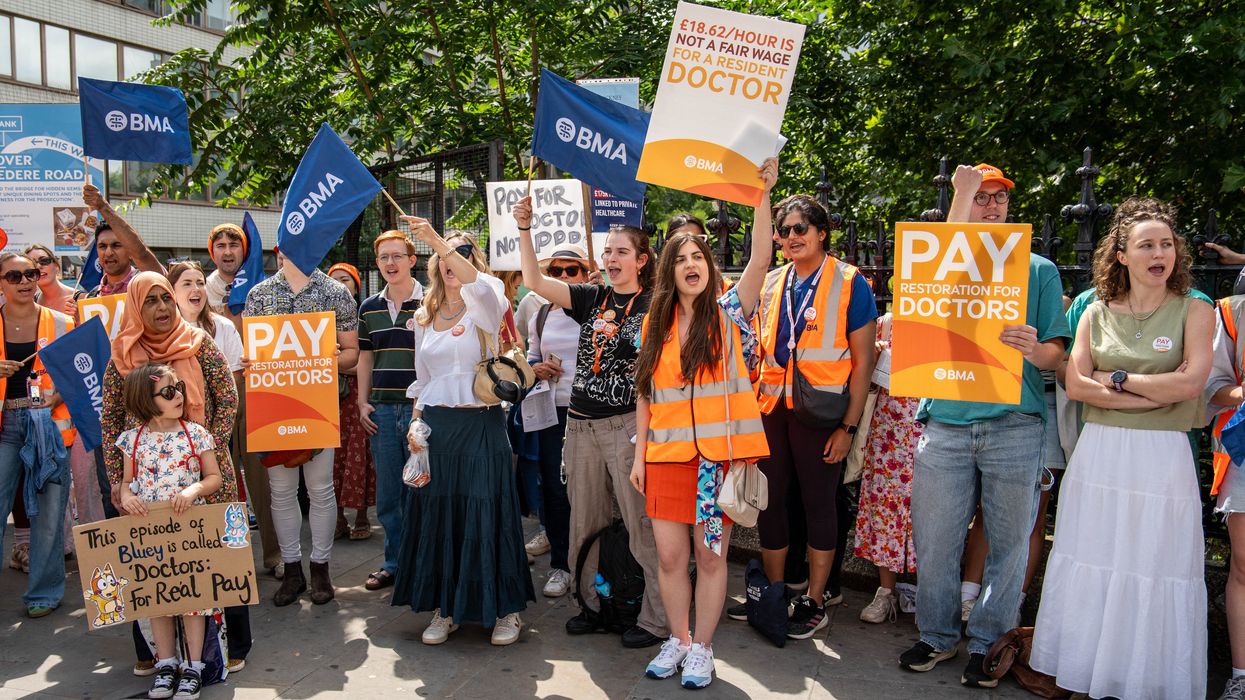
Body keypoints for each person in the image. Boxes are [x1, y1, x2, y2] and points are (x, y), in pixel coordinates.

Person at [1031, 198, 1212, 699]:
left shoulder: (1195, 307)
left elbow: (1191, 383)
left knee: (1154, 562)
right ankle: (1090, 675)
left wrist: (1116, 383)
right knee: (1095, 554)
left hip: (1162, 459)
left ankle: (1145, 681)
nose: (1161, 253)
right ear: (1122, 256)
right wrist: (1148, 392)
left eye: (1167, 244)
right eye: (1147, 245)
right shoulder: (1093, 308)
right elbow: (1075, 383)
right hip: (1101, 453)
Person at [900, 163, 1070, 687]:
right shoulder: (941, 260)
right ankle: (937, 636)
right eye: (981, 198)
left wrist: (1034, 347)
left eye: (999, 198)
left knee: (1009, 541)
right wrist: (961, 194)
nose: (992, 206)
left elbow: (1057, 357)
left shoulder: (1039, 270)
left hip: (1014, 425)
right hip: (945, 425)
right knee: (934, 540)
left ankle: (990, 643)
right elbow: (944, 258)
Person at [628, 159, 777, 689]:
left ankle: (703, 650)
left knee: (710, 560)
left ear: (710, 267)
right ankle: (679, 641)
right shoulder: (656, 321)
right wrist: (640, 455)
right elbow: (647, 393)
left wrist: (763, 192)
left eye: (699, 256)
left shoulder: (732, 310)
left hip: (719, 463)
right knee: (670, 558)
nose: (690, 263)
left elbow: (761, 255)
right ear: (667, 271)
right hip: (666, 461)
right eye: (680, 258)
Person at [514, 202, 669, 649]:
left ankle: (656, 617)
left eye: (622, 251)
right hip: (579, 426)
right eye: (608, 250)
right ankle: (592, 605)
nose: (612, 258)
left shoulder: (657, 306)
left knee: (640, 526)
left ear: (641, 260)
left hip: (626, 428)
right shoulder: (592, 298)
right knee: (584, 521)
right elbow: (533, 281)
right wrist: (526, 228)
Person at [733, 192, 877, 641]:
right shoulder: (773, 280)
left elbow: (863, 364)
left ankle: (816, 598)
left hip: (823, 414)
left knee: (819, 504)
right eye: (784, 230)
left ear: (822, 233)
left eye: (800, 229)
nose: (790, 237)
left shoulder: (851, 282)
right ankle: (776, 591)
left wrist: (848, 428)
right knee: (770, 503)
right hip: (772, 410)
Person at [393, 221, 534, 646]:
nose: (454, 262)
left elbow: (483, 288)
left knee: (487, 514)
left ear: (474, 261)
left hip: (481, 425)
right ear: (436, 265)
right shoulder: (423, 315)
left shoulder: (487, 300)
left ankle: (505, 611)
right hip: (438, 428)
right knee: (442, 516)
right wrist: (416, 423)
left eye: (463, 253)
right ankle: (446, 608)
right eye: (446, 255)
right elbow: (423, 379)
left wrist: (438, 240)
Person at [101, 272, 239, 675]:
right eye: (151, 301)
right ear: (135, 307)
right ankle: (158, 658)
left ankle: (213, 657)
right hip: (145, 486)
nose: (162, 308)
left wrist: (200, 449)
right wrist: (118, 480)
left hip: (205, 479)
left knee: (212, 569)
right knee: (151, 571)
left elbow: (227, 398)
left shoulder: (198, 343)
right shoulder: (121, 355)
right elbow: (110, 420)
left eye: (166, 298)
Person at [242, 250, 359, 606]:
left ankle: (320, 567)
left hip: (319, 405)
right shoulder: (258, 295)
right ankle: (292, 569)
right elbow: (251, 352)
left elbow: (352, 353)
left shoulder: (336, 293)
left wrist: (322, 359)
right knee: (281, 490)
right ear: (278, 250)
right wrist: (251, 359)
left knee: (321, 489)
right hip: (273, 406)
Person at [115, 362, 223, 700]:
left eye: (178, 388)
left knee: (193, 601)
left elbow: (214, 477)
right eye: (167, 391)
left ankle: (193, 667)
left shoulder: (196, 434)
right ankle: (166, 663)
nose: (177, 395)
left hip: (189, 534)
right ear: (145, 400)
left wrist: (193, 491)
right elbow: (126, 483)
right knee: (158, 600)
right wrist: (127, 497)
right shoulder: (132, 441)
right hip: (151, 535)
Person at [167, 260, 253, 673]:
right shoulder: (144, 341)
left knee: (225, 549)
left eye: (202, 282)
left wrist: (209, 444)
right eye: (187, 283)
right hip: (165, 469)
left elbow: (230, 394)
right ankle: (170, 652)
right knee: (174, 556)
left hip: (213, 461)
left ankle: (234, 643)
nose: (197, 288)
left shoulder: (219, 333)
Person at [0, 252, 76, 618]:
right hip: (4, 430)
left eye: (30, 273)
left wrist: (56, 396)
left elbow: (80, 374)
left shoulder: (62, 323)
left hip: (47, 427)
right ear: (1, 282)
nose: (25, 281)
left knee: (49, 512)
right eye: (14, 275)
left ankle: (44, 593)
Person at [354, 233, 425, 591]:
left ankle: (422, 563)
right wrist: (362, 401)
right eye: (383, 257)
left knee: (421, 489)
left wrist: (422, 410)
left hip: (421, 412)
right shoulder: (368, 307)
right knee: (389, 496)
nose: (390, 263)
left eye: (397, 255)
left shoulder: (432, 301)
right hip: (381, 411)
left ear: (413, 259)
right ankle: (394, 563)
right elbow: (365, 357)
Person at [523, 245, 589, 596]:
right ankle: (561, 565)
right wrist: (536, 368)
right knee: (554, 488)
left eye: (572, 270)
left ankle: (592, 562)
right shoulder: (541, 314)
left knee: (591, 491)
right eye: (556, 271)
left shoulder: (596, 308)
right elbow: (531, 356)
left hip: (591, 411)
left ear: (585, 272)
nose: (563, 276)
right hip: (553, 412)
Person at [854, 311, 920, 623]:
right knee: (885, 510)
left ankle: (930, 594)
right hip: (889, 433)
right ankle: (886, 591)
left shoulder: (951, 321)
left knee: (934, 513)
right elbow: (862, 383)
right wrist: (873, 359)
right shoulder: (887, 323)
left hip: (935, 429)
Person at [1209, 292, 1245, 700]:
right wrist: (1241, 393)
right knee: (1243, 566)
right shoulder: (1233, 310)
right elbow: (1211, 386)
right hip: (1243, 452)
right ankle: (1241, 675)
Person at [326, 261, 377, 544]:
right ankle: (336, 519)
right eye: (334, 280)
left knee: (360, 456)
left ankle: (361, 516)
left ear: (356, 285)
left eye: (345, 280)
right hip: (328, 398)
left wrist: (338, 365)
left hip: (357, 396)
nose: (340, 285)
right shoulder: (319, 319)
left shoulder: (364, 316)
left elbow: (365, 361)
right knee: (333, 459)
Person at [204, 223, 248, 327]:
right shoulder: (203, 290)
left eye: (233, 245)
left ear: (244, 250)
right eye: (221, 246)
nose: (228, 252)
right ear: (212, 251)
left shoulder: (256, 287)